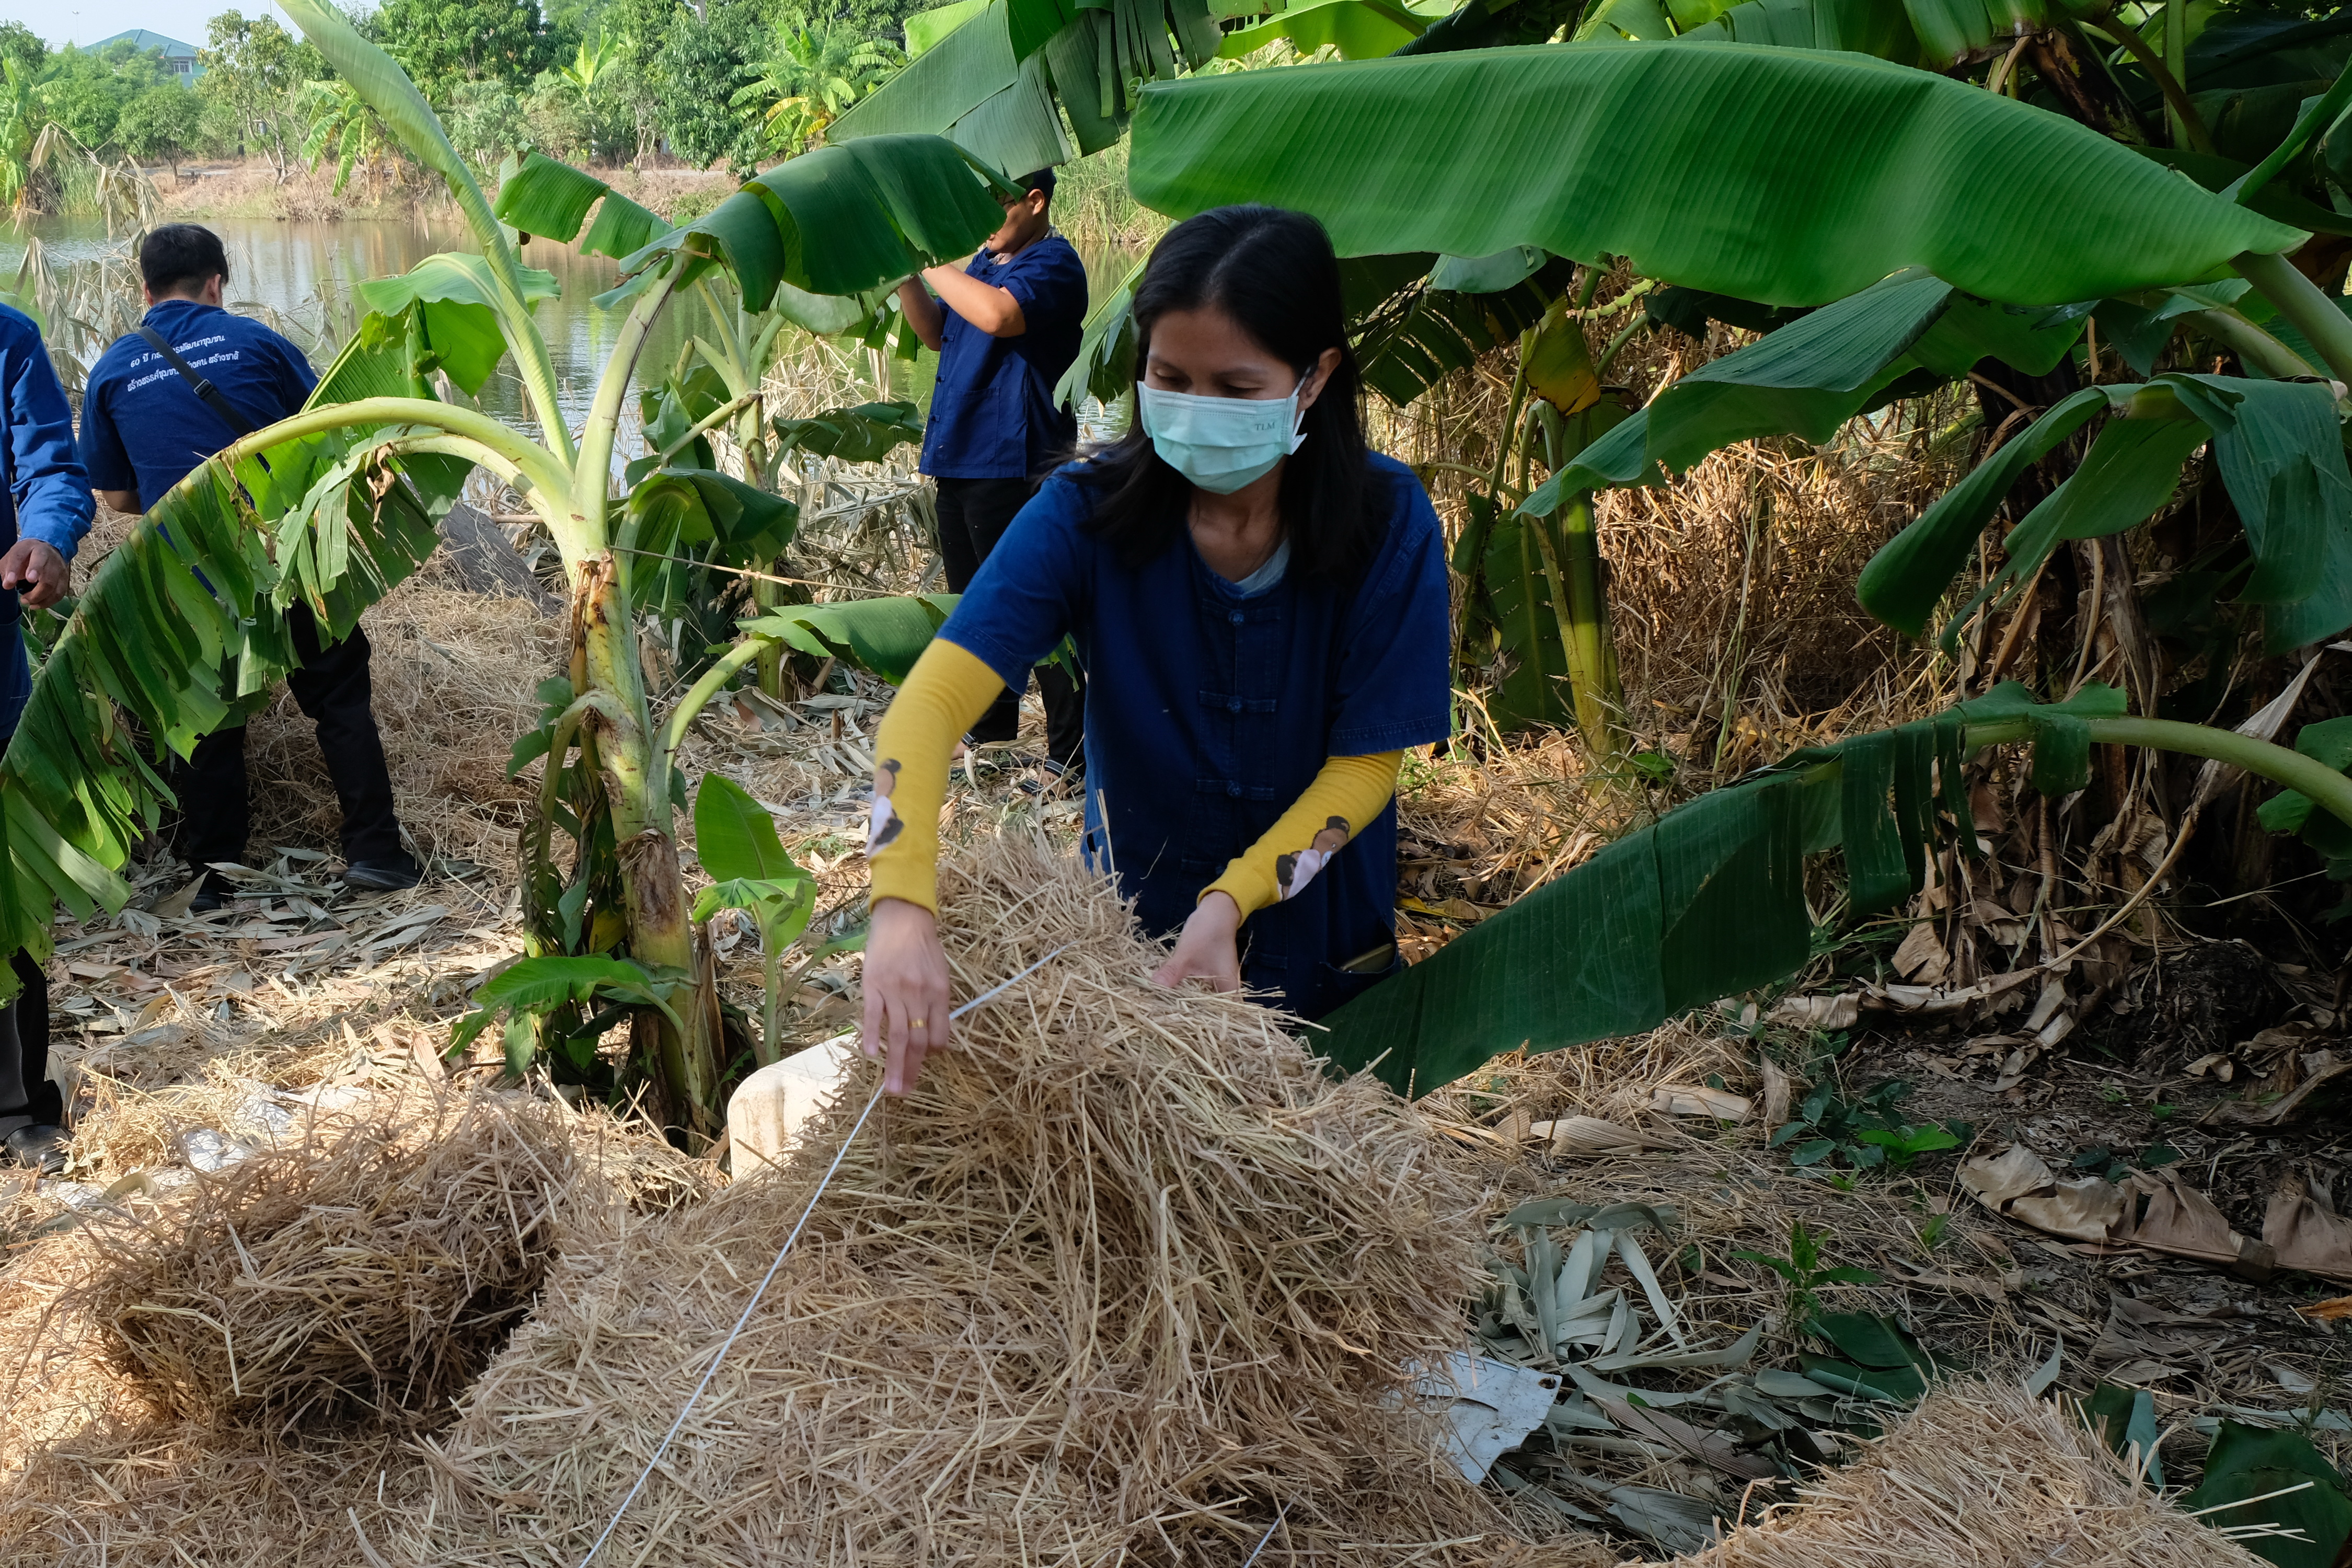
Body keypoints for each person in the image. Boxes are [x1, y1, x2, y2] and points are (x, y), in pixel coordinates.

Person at [860, 205, 1452, 1095]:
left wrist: (1234, 898)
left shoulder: (1387, 523)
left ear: (1315, 377)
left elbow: (1367, 768)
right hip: (1136, 966)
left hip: (1327, 966)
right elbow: (929, 704)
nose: (1198, 411)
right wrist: (900, 901)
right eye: (1170, 377)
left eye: (1238, 387)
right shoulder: (1083, 514)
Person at [79, 224, 418, 912]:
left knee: (206, 722)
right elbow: (330, 434)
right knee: (340, 701)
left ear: (144, 291)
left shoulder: (114, 368)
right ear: (217, 283)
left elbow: (114, 497)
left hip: (190, 572)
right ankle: (376, 854)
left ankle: (213, 878)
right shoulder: (258, 342)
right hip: (285, 554)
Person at [896, 167, 1089, 776]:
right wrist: (902, 268)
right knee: (974, 607)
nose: (985, 224)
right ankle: (990, 734)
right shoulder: (982, 261)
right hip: (959, 453)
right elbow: (935, 332)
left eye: (999, 206)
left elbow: (999, 318)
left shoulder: (1055, 264)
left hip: (1016, 460)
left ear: (1036, 203)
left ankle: (1072, 757)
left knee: (1041, 607)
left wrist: (929, 260)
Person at [0, 300, 94, 1171]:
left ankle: (21, 1103)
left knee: (9, 893)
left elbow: (53, 470)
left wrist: (47, 536)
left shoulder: (8, 337)